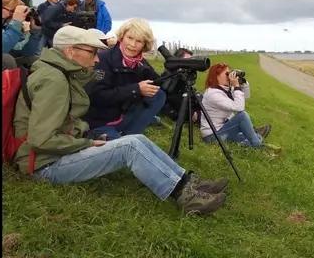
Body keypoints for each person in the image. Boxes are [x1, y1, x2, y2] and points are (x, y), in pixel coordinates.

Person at [12, 26, 229, 215]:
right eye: (93, 52)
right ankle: (186, 197)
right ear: (70, 51)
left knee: (137, 140)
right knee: (130, 147)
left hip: (52, 154)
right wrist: (86, 143)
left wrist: (85, 134)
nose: (97, 59)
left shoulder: (58, 71)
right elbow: (41, 139)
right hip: (44, 165)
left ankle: (188, 181)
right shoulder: (53, 81)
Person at [83, 18, 165, 140]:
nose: (132, 45)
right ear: (122, 37)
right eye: (130, 38)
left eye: (139, 41)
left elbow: (158, 83)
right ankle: (117, 139)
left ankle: (128, 135)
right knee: (124, 152)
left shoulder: (139, 62)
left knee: (158, 94)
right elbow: (96, 96)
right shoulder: (103, 59)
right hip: (100, 121)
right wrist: (136, 89)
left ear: (144, 44)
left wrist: (173, 71)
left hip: (121, 115)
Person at [200, 62, 272, 148]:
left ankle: (246, 143)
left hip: (223, 129)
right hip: (212, 136)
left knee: (258, 136)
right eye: (227, 74)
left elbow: (245, 97)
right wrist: (236, 86)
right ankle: (258, 146)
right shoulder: (213, 94)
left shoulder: (224, 89)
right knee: (242, 116)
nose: (229, 76)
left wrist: (242, 83)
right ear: (217, 76)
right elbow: (239, 107)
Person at [2, 0, 39, 70]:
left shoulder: (7, 25)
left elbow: (27, 52)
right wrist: (16, 23)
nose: (14, 15)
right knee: (7, 60)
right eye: (12, 11)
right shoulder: (13, 25)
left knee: (34, 59)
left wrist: (34, 32)